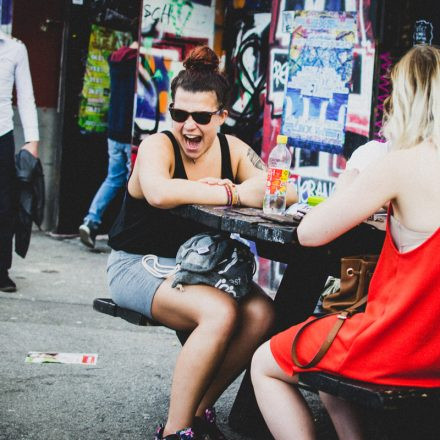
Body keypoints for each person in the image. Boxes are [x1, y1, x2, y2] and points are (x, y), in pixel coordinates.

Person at [106, 45, 297, 440]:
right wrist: (229, 192)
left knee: (262, 313)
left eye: (202, 117)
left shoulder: (233, 148)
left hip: (199, 269)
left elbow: (285, 189)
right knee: (220, 312)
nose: (189, 126)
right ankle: (175, 432)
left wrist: (234, 190)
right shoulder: (159, 145)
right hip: (138, 264)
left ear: (222, 117)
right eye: (179, 114)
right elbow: (159, 191)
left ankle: (196, 411)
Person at [251, 44, 440, 440]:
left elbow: (309, 232)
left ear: (406, 99)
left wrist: (353, 180)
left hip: (398, 343)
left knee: (265, 361)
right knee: (326, 361)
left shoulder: (398, 164)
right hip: (433, 352)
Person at [79, 42, 138, 248]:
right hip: (131, 134)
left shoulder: (116, 59)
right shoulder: (139, 61)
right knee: (134, 185)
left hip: (113, 130)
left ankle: (91, 220)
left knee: (113, 179)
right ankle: (124, 229)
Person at [0, 30, 39, 292]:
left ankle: (1, 269)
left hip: (2, 134)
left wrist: (32, 139)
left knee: (5, 206)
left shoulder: (15, 48)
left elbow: (26, 97)